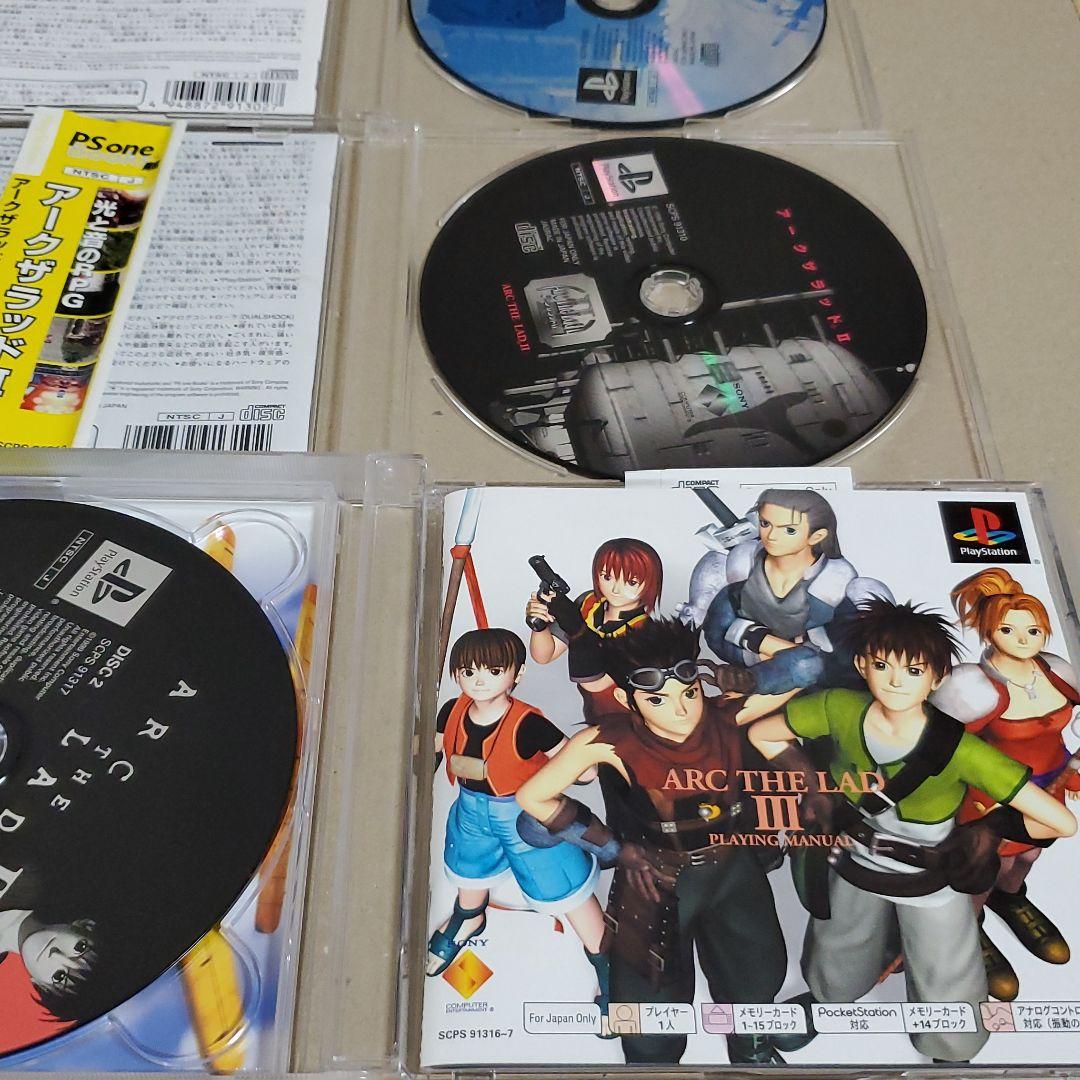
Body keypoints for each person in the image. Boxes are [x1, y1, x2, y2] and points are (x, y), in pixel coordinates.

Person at [749, 598, 1076, 1063]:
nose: (896, 681)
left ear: (937, 678)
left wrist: (989, 829)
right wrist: (812, 787)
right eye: (882, 665)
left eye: (914, 670)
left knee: (945, 969)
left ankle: (951, 1047)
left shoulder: (960, 749)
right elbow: (763, 734)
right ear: (862, 665)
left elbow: (1061, 821)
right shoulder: (838, 707)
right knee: (839, 944)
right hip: (854, 859)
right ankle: (829, 999)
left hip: (929, 876)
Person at [515, 618, 787, 1066]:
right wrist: (614, 849)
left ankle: (750, 1044)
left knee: (755, 968)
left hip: (731, 867)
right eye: (658, 698)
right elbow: (534, 798)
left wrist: (747, 667)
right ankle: (653, 1067)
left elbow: (807, 668)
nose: (681, 711)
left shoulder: (725, 713)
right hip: (655, 875)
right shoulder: (608, 740)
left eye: (689, 693)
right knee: (647, 1001)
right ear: (627, 699)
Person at [428, 627, 609, 1009]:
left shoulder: (529, 724)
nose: (479, 680)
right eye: (468, 671)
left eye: (493, 671)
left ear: (517, 673)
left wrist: (565, 776)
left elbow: (584, 769)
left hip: (524, 814)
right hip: (471, 808)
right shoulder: (452, 709)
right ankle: (469, 915)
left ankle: (607, 961)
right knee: (469, 864)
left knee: (560, 883)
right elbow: (435, 745)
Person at [931, 568, 1080, 1000]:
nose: (1024, 639)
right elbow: (942, 747)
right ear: (989, 630)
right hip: (992, 795)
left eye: (1032, 629)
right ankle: (970, 926)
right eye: (1009, 629)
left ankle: (1011, 899)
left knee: (1029, 855)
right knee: (986, 865)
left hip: (1052, 780)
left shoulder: (1055, 671)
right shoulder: (972, 686)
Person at [699, 489, 892, 725]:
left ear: (817, 535)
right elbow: (717, 630)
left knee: (806, 666)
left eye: (789, 530)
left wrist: (758, 647)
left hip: (817, 681)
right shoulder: (742, 566)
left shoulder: (837, 585)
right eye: (766, 524)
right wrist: (774, 647)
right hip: (746, 659)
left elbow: (839, 659)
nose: (772, 536)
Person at [526, 538, 666, 722]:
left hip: (632, 721)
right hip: (594, 714)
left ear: (651, 583)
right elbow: (544, 656)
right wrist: (539, 624)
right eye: (607, 577)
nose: (615, 589)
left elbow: (595, 684)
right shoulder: (588, 603)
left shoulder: (645, 632)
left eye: (631, 582)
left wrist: (577, 629)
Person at [0, 904, 102, 1054]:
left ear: (39, 984)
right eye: (80, 947)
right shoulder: (29, 892)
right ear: (87, 925)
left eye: (59, 976)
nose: (55, 955)